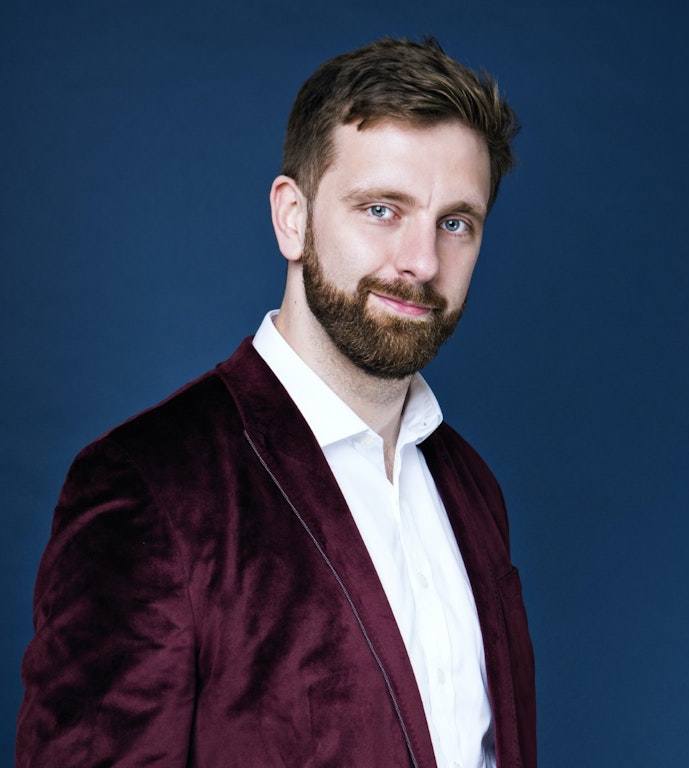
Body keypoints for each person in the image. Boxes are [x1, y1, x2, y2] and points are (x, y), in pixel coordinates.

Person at [16, 36, 536, 768]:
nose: (422, 262)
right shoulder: (149, 487)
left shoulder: (472, 488)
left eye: (455, 223)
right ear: (292, 217)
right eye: (382, 209)